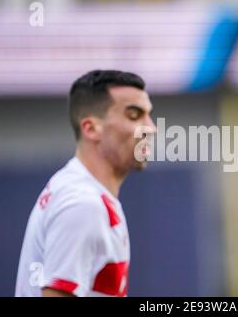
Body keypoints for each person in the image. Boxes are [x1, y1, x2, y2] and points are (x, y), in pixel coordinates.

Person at [15, 70, 156, 297]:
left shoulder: (83, 191)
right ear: (90, 128)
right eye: (134, 115)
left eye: (149, 115)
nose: (150, 128)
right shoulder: (83, 203)